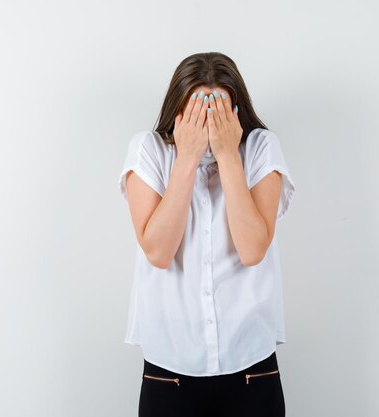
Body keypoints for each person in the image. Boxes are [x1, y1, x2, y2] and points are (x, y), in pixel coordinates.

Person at [117, 52, 296, 417]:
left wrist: (229, 155)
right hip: (170, 369)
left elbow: (252, 249)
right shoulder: (148, 150)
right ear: (178, 112)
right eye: (199, 112)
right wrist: (186, 158)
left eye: (218, 113)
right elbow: (159, 251)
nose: (208, 123)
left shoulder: (261, 147)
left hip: (251, 365)